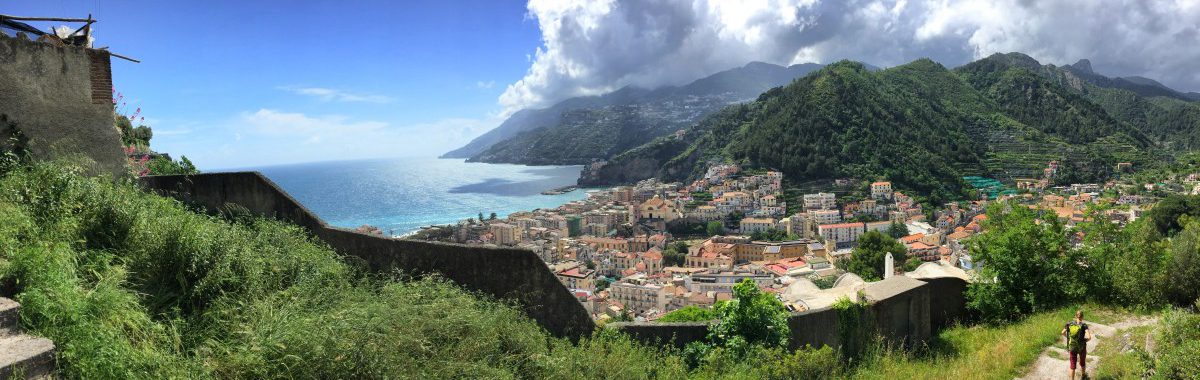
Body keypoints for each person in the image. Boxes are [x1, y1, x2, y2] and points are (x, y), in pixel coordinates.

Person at [1062, 309, 1093, 380]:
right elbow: (1089, 337)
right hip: (1082, 347)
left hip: (1072, 347)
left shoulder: (1069, 324)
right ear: (1082, 317)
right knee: (1082, 362)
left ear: (1075, 316)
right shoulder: (1084, 325)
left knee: (1072, 365)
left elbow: (1062, 332)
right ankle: (1083, 376)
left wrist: (1069, 338)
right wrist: (1084, 341)